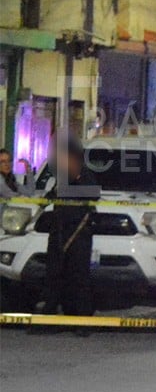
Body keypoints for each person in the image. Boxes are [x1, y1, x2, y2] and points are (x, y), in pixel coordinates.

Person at [36, 138, 100, 326]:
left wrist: (76, 176)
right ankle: (48, 317)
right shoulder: (61, 176)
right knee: (53, 275)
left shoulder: (84, 175)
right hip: (59, 231)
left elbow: (94, 193)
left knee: (79, 278)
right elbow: (53, 195)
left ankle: (81, 321)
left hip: (78, 232)